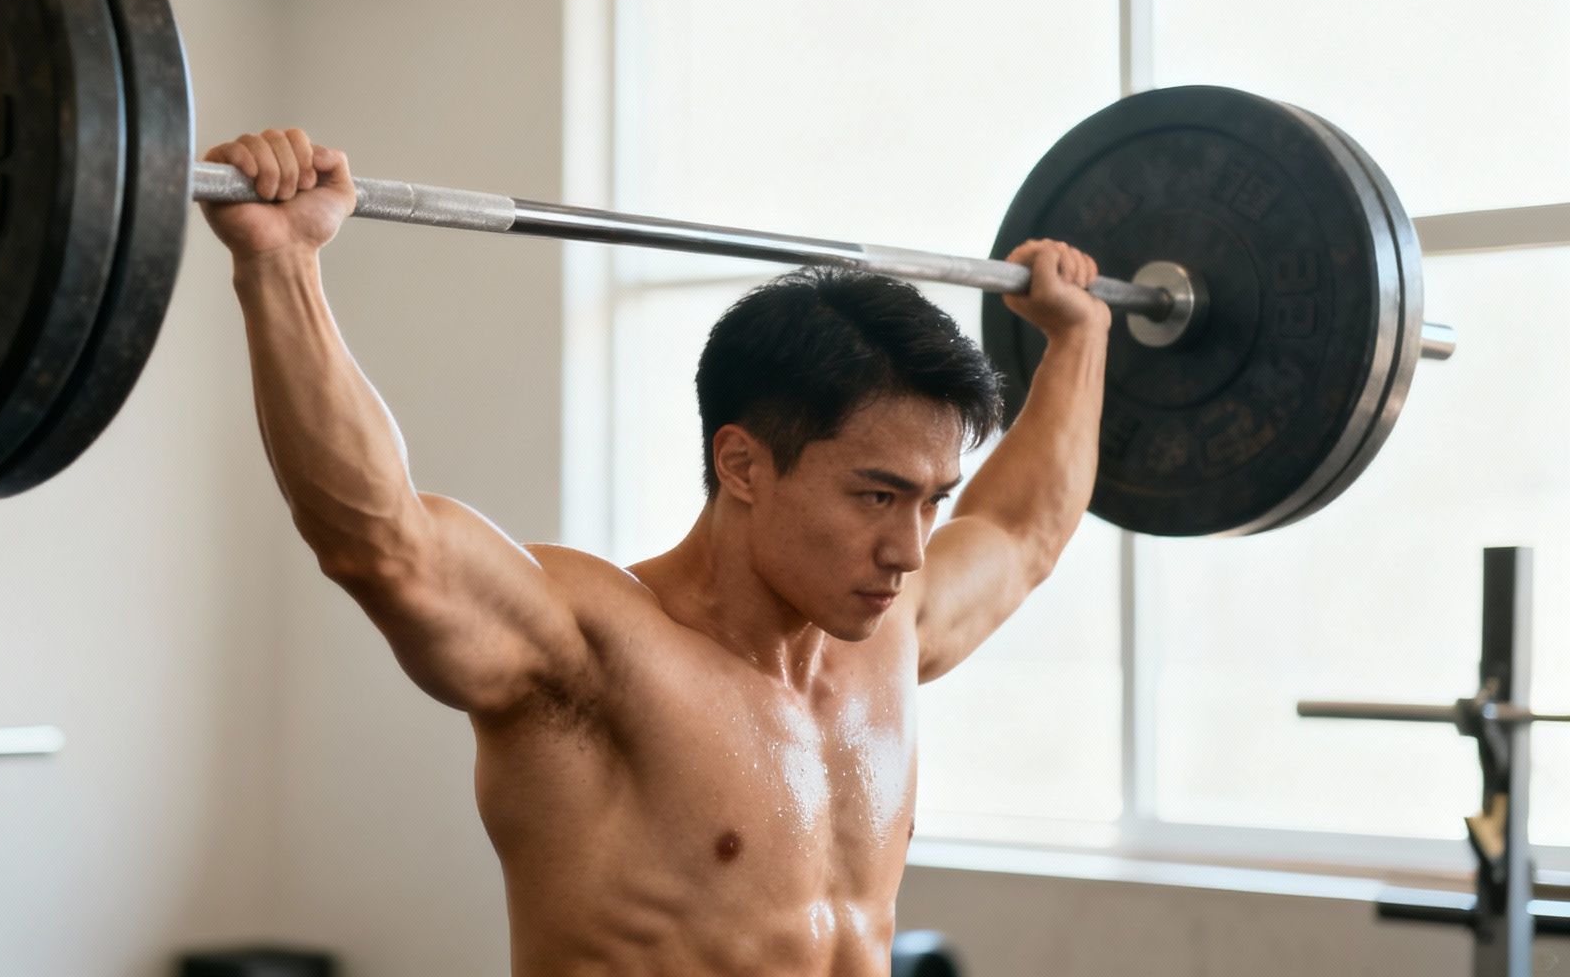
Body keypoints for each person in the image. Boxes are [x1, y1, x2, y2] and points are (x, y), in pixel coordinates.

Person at [202, 127, 1110, 976]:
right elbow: (378, 541)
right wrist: (280, 262)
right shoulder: (591, 653)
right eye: (877, 496)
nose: (911, 551)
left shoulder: (889, 634)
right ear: (743, 463)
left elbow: (1022, 534)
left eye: (931, 502)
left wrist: (1080, 336)